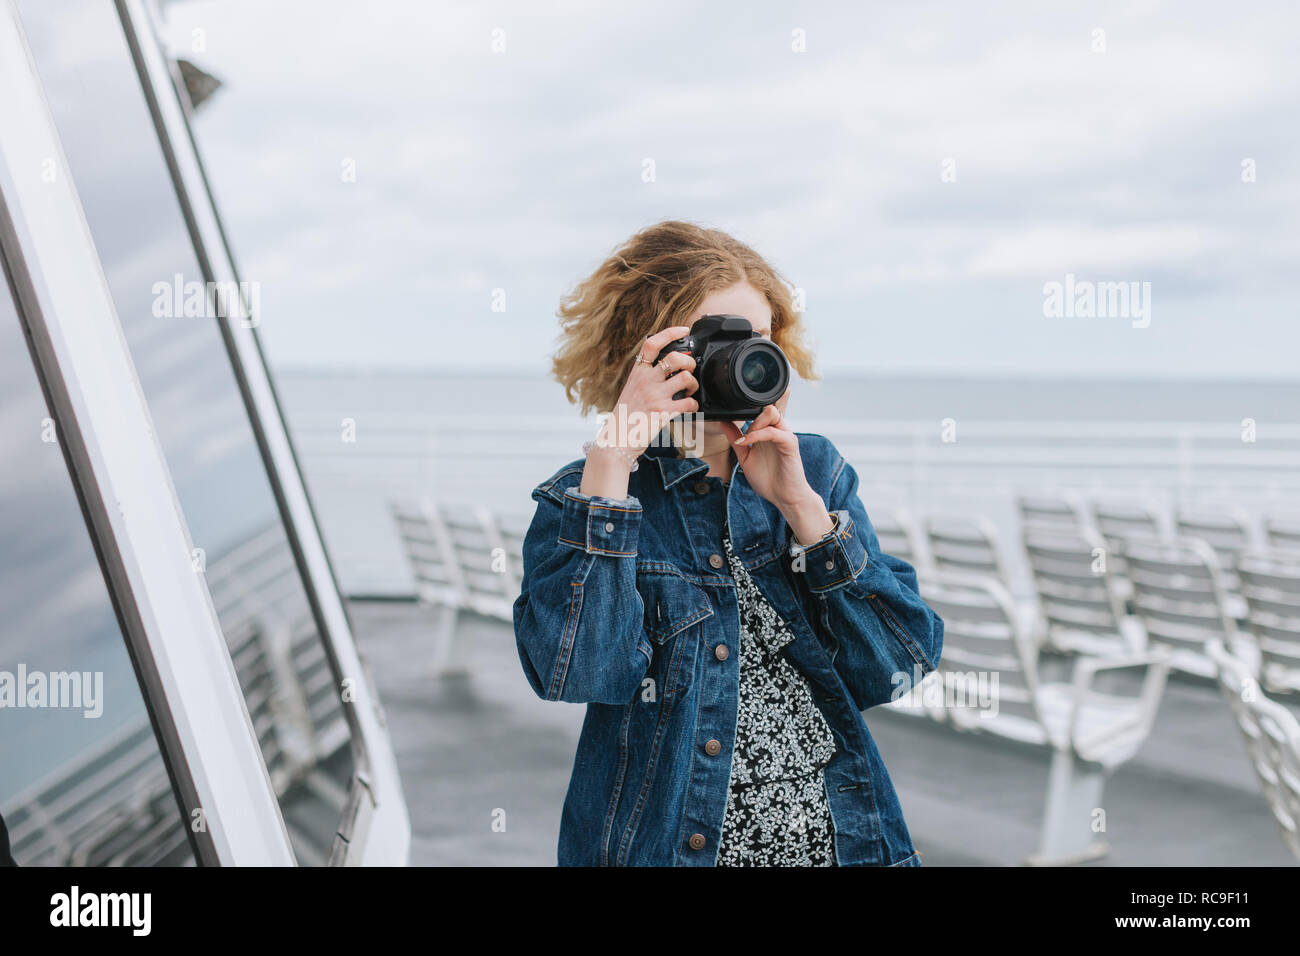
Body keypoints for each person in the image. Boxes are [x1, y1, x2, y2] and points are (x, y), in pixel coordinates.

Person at [512, 220, 943, 866]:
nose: (738, 363)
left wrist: (802, 510)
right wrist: (613, 463)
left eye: (757, 343)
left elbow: (895, 664)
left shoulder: (814, 472)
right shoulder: (586, 497)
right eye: (710, 344)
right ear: (643, 352)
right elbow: (579, 673)